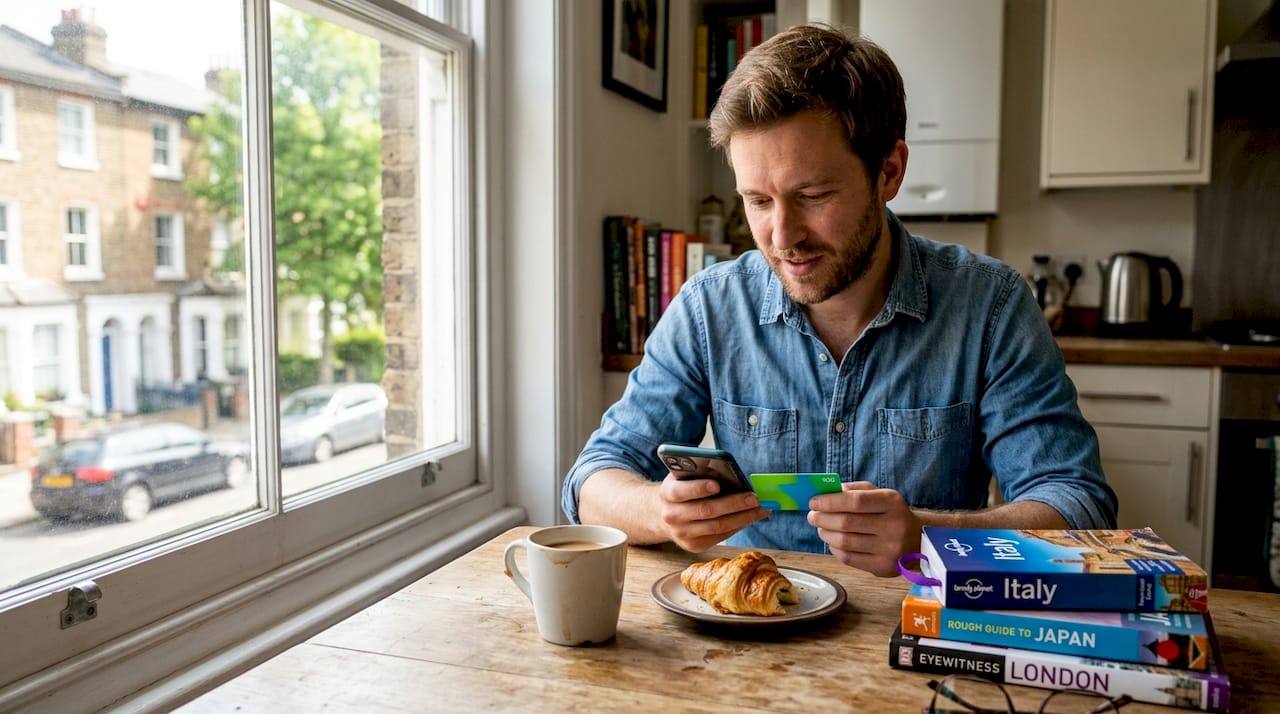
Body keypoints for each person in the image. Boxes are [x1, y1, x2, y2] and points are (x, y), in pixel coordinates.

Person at [561, 24, 1117, 577]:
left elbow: (1080, 508)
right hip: (750, 639)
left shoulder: (992, 307)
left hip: (918, 632)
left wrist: (928, 537)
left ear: (889, 172)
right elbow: (591, 481)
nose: (782, 236)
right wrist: (659, 510)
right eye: (757, 200)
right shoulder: (709, 307)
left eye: (813, 195)